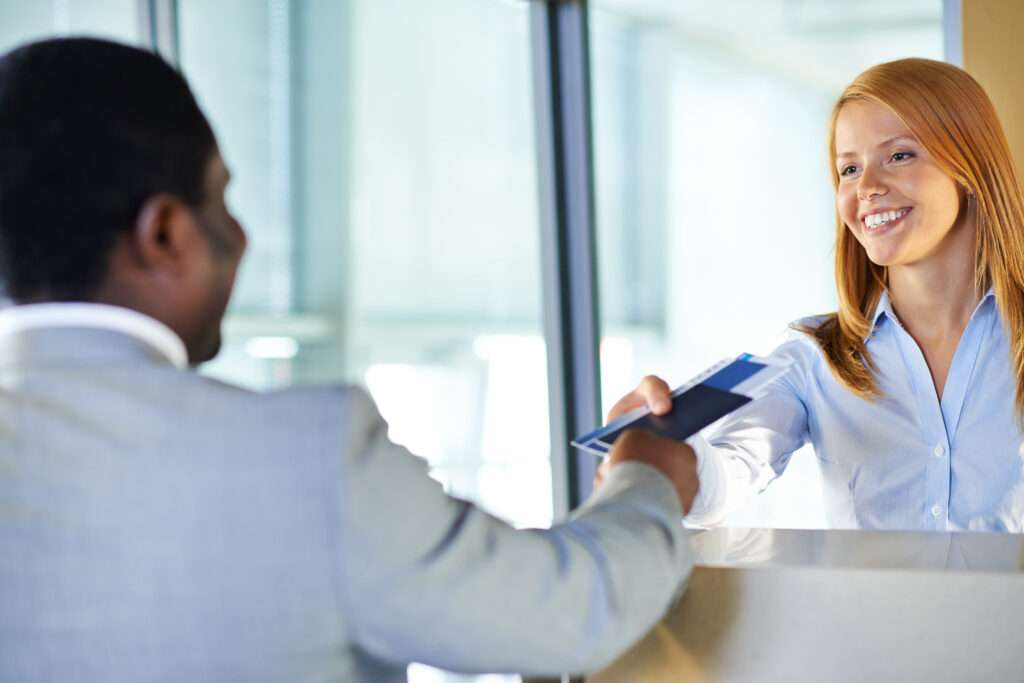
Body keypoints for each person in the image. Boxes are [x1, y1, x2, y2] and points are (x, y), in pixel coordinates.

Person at [0, 38, 700, 682]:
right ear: (164, 233)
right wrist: (647, 479)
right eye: (221, 199)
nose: (240, 236)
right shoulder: (303, 456)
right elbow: (568, 611)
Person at [610, 57, 1024, 532]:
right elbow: (719, 481)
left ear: (970, 167)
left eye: (899, 155)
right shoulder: (815, 356)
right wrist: (663, 447)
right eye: (849, 169)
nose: (866, 187)